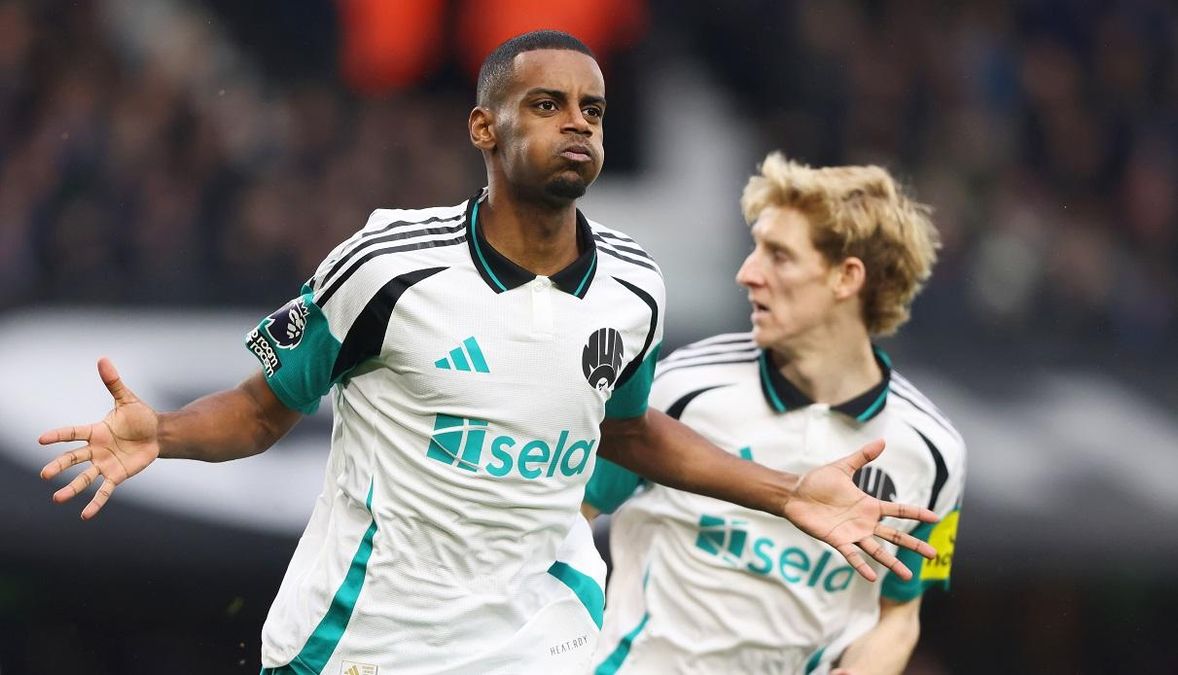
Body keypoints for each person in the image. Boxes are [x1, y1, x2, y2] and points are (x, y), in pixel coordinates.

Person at [38, 32, 937, 675]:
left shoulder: (635, 286)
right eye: (547, 105)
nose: (576, 123)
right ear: (484, 128)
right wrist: (163, 431)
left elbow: (628, 432)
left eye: (592, 109)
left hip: (539, 631)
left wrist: (788, 493)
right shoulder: (386, 263)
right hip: (365, 637)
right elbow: (260, 409)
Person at [582, 153, 966, 674]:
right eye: (755, 249)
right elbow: (572, 518)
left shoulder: (935, 453)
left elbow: (899, 615)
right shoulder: (680, 388)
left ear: (846, 277)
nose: (747, 274)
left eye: (779, 256)